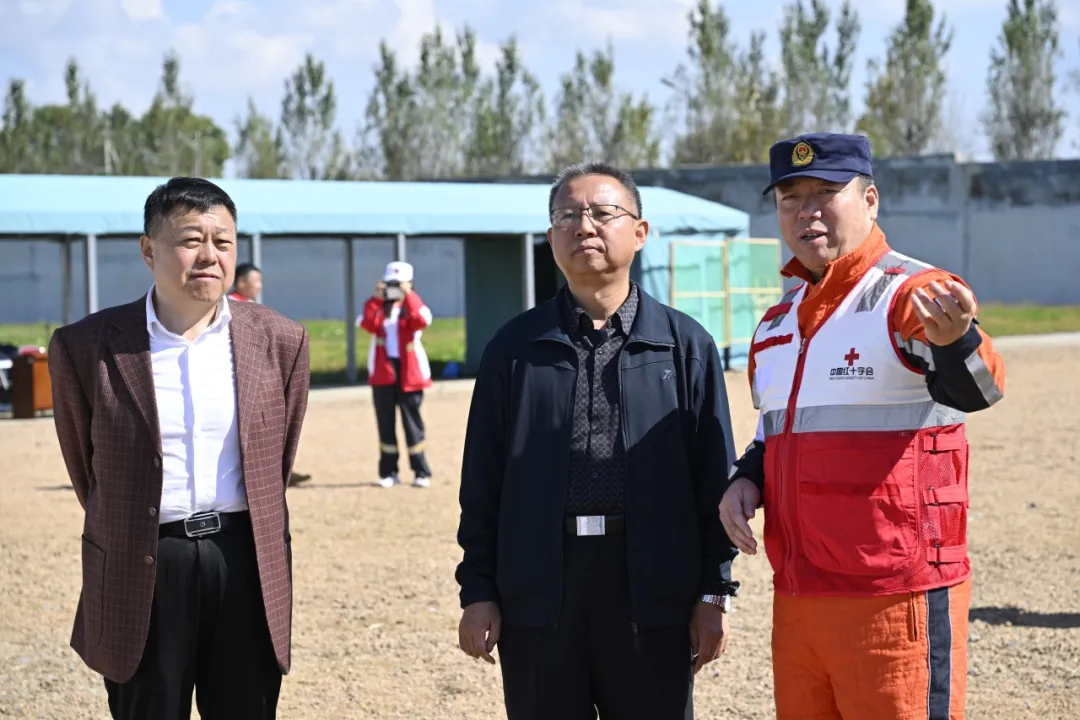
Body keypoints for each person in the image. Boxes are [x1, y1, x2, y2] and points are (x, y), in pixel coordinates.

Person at [719, 133, 1006, 720]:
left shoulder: (913, 295)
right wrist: (747, 476)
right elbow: (779, 431)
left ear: (870, 200)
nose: (806, 211)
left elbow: (979, 390)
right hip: (798, 599)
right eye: (791, 198)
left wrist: (957, 342)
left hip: (894, 597)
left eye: (826, 193)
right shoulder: (775, 325)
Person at [455, 162, 741, 719]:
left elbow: (714, 480)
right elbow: (483, 482)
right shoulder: (515, 348)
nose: (583, 226)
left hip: (653, 593)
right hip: (539, 592)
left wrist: (713, 592)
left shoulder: (683, 346)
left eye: (602, 213)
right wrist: (478, 590)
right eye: (567, 216)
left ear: (640, 232)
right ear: (550, 238)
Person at [47, 177, 311, 719]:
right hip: (141, 562)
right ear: (149, 250)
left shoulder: (281, 340)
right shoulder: (86, 346)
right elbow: (86, 469)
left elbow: (277, 460)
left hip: (243, 561)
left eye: (223, 242)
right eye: (191, 240)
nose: (210, 256)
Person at [226, 261, 312, 486]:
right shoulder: (229, 308)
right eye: (256, 281)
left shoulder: (249, 306)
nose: (259, 286)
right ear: (241, 282)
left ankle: (278, 470)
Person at [358, 260, 434, 488]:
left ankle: (421, 471)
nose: (394, 289)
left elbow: (421, 320)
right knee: (385, 423)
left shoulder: (414, 305)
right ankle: (389, 472)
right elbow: (367, 324)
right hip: (384, 371)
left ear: (410, 283)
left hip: (409, 372)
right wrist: (376, 298)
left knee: (412, 423)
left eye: (399, 284)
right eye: (391, 283)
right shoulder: (379, 307)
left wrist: (408, 295)